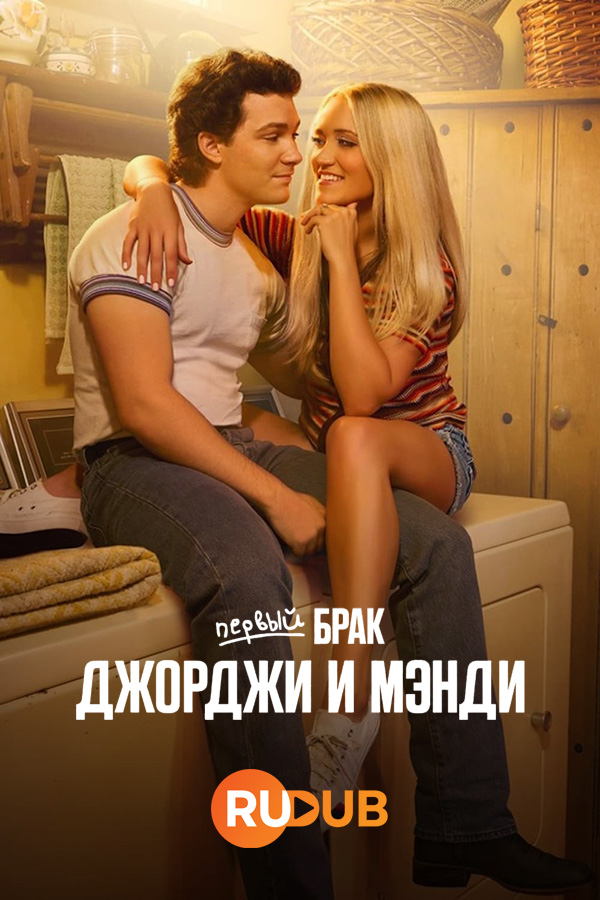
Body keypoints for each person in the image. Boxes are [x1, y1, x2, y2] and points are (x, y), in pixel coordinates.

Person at [2, 49, 594, 897]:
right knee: (248, 575)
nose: (301, 155)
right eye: (283, 135)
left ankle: (467, 822)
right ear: (215, 145)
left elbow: (298, 387)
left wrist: (278, 455)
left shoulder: (266, 251)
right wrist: (149, 184)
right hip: (139, 458)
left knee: (436, 545)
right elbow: (146, 405)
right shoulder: (139, 235)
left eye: (312, 136)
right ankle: (293, 881)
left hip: (342, 444)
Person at [123, 83, 473, 818]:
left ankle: (350, 697)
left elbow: (363, 399)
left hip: (430, 453)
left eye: (345, 142)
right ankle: (68, 487)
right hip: (337, 451)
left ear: (392, 159)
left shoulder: (423, 266)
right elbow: (178, 178)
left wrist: (341, 260)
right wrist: (152, 191)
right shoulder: (297, 234)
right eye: (319, 139)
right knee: (226, 416)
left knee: (353, 434)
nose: (320, 157)